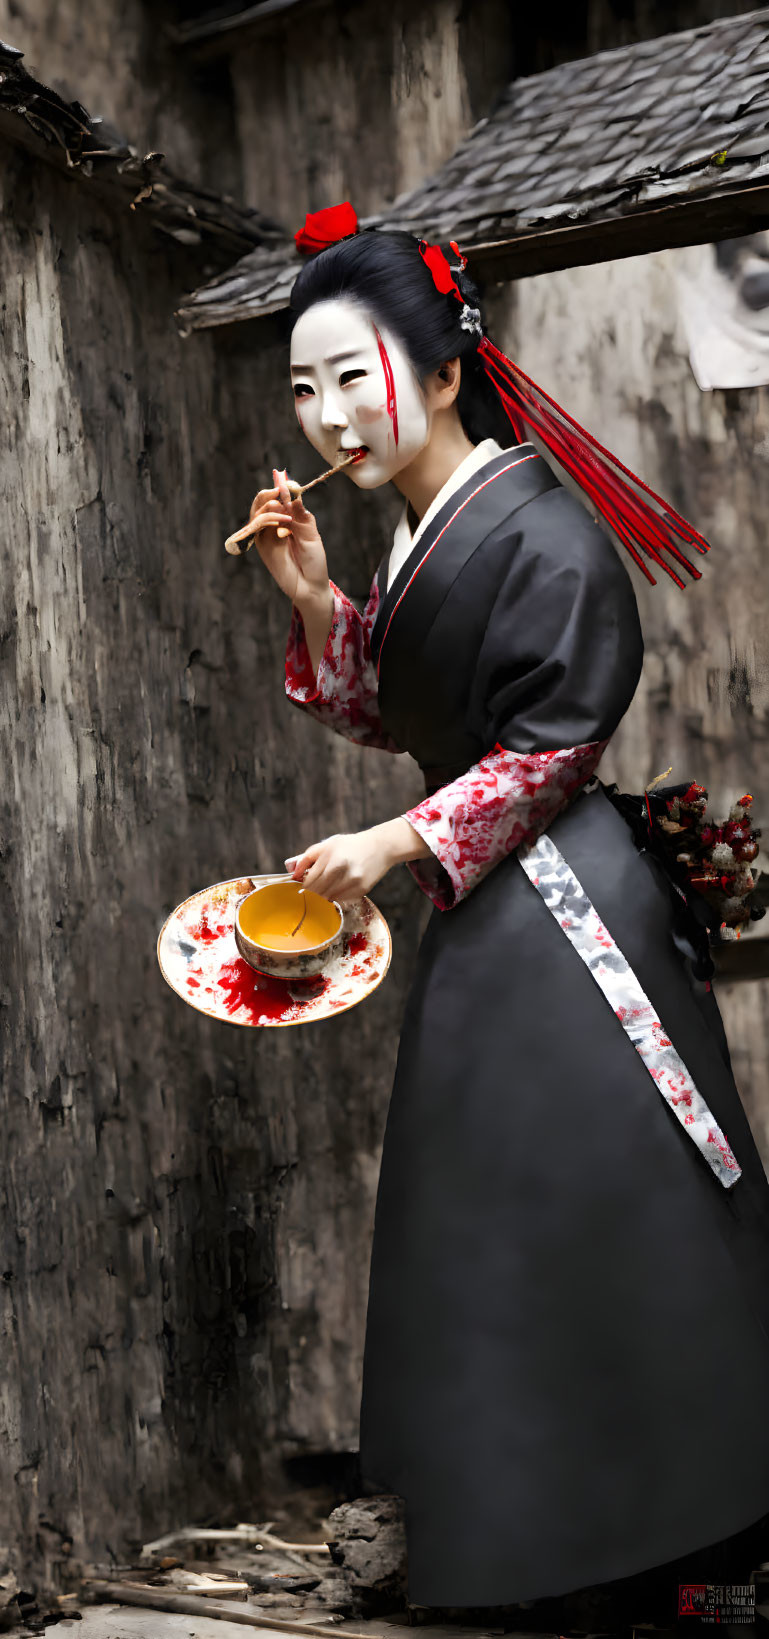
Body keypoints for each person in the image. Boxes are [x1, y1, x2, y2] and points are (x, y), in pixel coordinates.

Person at [244, 208, 769, 1611]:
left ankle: (660, 1534)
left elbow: (546, 749)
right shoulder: (425, 533)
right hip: (495, 917)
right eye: (304, 388)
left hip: (564, 914)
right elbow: (390, 706)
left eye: (351, 374)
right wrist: (311, 599)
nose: (328, 414)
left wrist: (400, 837)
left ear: (440, 365)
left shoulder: (542, 532)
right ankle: (531, 1531)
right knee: (489, 1220)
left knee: (588, 1207)